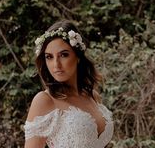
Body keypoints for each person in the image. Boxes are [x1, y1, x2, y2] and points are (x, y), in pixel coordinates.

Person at [24, 20, 113, 148]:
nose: (56, 65)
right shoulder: (45, 100)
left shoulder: (93, 96)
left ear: (77, 56)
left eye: (64, 55)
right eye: (49, 57)